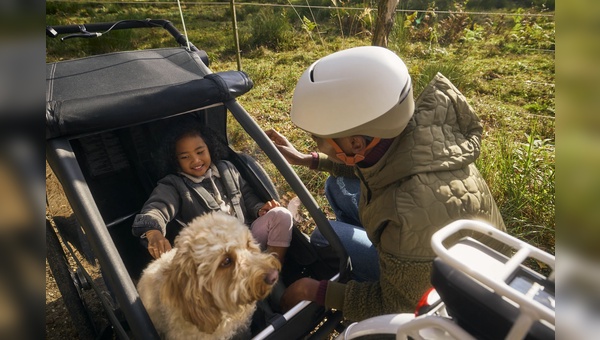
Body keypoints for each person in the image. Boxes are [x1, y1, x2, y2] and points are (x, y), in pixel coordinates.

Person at [270, 46, 508, 322]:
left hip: (445, 299)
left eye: (317, 140)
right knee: (335, 187)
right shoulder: (419, 136)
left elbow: (400, 307)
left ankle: (368, 263)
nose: (316, 145)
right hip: (447, 259)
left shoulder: (409, 210)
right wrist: (308, 159)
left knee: (325, 235)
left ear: (356, 143)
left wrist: (317, 291)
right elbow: (375, 167)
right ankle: (383, 251)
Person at [131, 123, 293, 265]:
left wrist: (259, 209)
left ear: (210, 148)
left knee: (281, 215)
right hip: (218, 252)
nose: (195, 160)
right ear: (175, 161)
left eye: (200, 152)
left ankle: (272, 269)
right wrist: (153, 232)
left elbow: (246, 196)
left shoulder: (227, 168)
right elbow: (157, 208)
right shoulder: (174, 185)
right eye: (185, 157)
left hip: (249, 235)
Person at [265, 129, 361, 227]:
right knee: (334, 184)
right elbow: (359, 168)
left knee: (324, 234)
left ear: (356, 143)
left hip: (376, 238)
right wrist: (301, 158)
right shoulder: (373, 164)